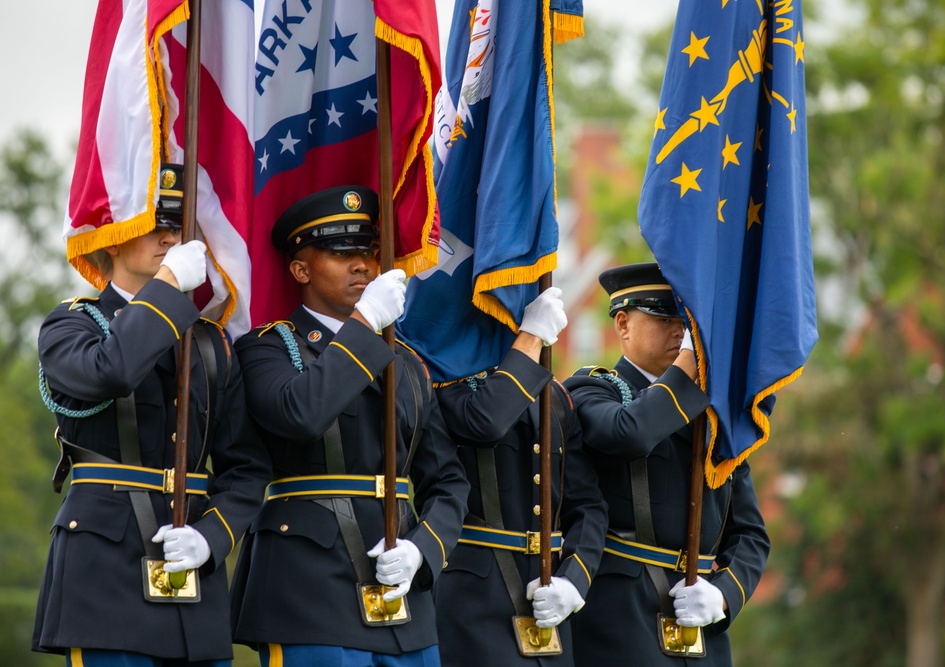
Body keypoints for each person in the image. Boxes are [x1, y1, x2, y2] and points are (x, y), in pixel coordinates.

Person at [33, 163, 272, 666]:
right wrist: (166, 288)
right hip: (105, 577)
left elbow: (246, 468)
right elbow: (113, 369)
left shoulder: (209, 344)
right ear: (113, 238)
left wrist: (212, 538)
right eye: (152, 223)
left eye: (178, 224)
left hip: (194, 586)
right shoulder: (69, 326)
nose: (170, 235)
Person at [229, 185, 470, 667]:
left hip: (405, 601)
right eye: (342, 254)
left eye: (368, 252)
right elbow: (302, 412)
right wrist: (365, 324)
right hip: (310, 590)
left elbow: (447, 480)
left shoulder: (408, 363)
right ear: (300, 269)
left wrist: (424, 549)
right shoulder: (269, 347)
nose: (363, 264)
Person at [562, 262, 770, 666]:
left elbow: (749, 534)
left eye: (687, 321)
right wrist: (692, 361)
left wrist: (724, 594)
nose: (681, 331)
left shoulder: (712, 415)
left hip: (699, 631)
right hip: (622, 626)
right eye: (665, 317)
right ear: (622, 324)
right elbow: (632, 433)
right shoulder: (592, 389)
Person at [429, 287, 608, 666]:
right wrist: (531, 339)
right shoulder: (447, 383)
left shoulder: (555, 399)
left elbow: (587, 506)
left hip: (548, 601)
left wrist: (574, 578)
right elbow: (487, 421)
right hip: (473, 604)